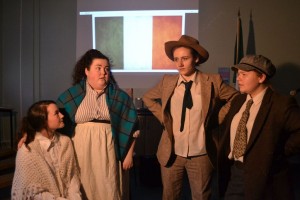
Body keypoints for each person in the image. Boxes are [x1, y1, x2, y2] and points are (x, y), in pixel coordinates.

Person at [142, 35, 238, 200]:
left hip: (201, 153)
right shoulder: (167, 81)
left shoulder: (212, 81)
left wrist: (217, 118)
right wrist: (164, 119)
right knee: (169, 196)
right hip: (172, 153)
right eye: (176, 59)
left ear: (196, 58)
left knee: (201, 197)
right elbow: (148, 97)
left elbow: (235, 98)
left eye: (185, 58)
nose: (179, 64)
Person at [56, 49, 139, 200]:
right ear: (86, 71)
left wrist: (129, 155)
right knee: (83, 186)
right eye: (98, 68)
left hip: (108, 151)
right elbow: (51, 120)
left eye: (106, 69)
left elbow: (133, 127)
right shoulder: (72, 95)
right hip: (80, 150)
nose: (103, 73)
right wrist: (27, 134)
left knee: (108, 186)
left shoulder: (119, 96)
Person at [218, 55, 300, 200]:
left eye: (244, 74)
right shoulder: (238, 100)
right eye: (238, 74)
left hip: (265, 176)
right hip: (236, 171)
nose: (238, 79)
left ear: (261, 77)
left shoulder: (281, 104)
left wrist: (278, 152)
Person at [11, 100, 81, 200]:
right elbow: (29, 191)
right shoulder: (28, 150)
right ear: (43, 121)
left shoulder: (66, 142)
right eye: (56, 113)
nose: (62, 116)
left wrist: (75, 198)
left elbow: (72, 176)